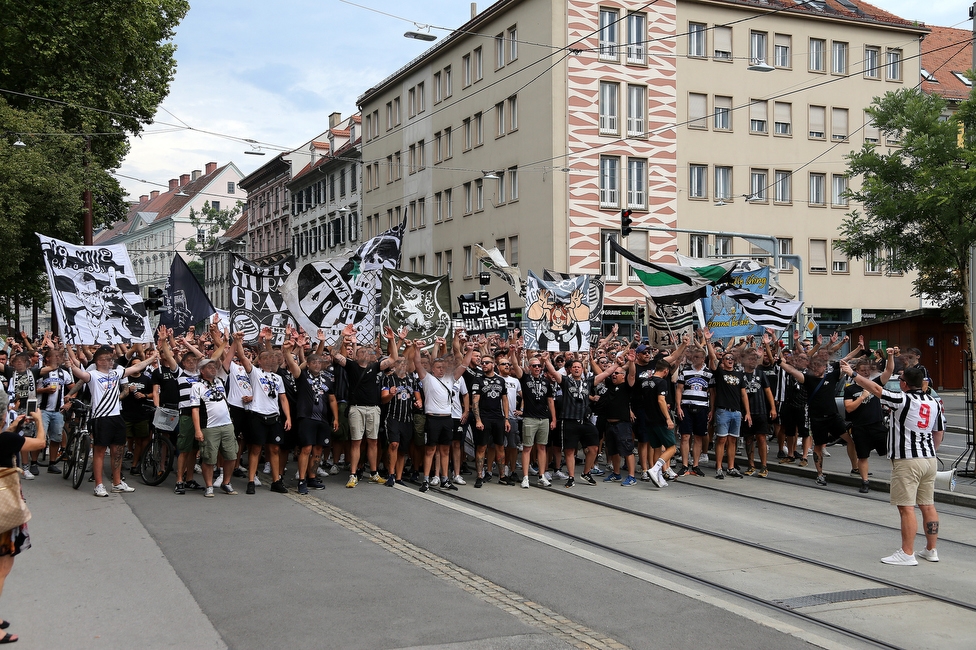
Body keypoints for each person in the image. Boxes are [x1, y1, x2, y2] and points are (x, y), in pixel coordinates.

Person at [840, 362, 944, 565]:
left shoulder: (902, 399)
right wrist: (931, 451)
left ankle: (907, 553)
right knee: (928, 505)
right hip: (929, 458)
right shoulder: (933, 402)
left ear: (904, 384)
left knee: (906, 507)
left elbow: (876, 389)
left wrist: (852, 374)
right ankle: (931, 550)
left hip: (907, 460)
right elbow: (938, 432)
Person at [65, 345, 157, 497]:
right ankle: (99, 485)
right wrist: (71, 366)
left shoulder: (116, 373)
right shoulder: (93, 374)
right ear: (99, 361)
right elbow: (81, 375)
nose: (111, 361)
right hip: (101, 418)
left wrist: (152, 358)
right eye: (107, 359)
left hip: (116, 416)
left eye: (111, 358)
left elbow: (136, 367)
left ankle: (117, 483)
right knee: (99, 451)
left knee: (118, 450)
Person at [0, 410, 47, 644]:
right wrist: (39, 420)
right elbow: (40, 443)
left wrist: (15, 427)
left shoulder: (6, 438)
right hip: (4, 511)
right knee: (2, 567)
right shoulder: (6, 440)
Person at [333, 326, 398, 487]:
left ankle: (374, 473)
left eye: (366, 352)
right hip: (356, 408)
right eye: (360, 351)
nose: (363, 353)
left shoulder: (375, 367)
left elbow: (393, 358)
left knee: (373, 441)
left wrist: (391, 339)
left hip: (374, 408)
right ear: (356, 355)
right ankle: (353, 474)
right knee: (356, 442)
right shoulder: (350, 365)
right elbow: (334, 353)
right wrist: (342, 336)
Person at [232, 333, 292, 495]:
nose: (270, 360)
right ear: (260, 360)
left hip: (274, 416)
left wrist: (288, 417)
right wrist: (237, 342)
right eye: (266, 358)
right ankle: (251, 480)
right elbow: (243, 358)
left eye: (272, 359)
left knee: (273, 450)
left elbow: (283, 399)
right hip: (257, 415)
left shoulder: (278, 378)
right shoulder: (255, 372)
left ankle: (276, 481)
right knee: (256, 449)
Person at [282, 340, 337, 494]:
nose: (317, 365)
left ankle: (312, 476)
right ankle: (302, 480)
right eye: (314, 363)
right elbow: (292, 366)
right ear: (308, 364)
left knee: (318, 449)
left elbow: (332, 399)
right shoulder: (302, 375)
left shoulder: (327, 379)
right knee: (306, 448)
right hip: (306, 417)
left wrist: (336, 418)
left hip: (323, 419)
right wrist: (287, 352)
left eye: (319, 363)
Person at [188, 359, 239, 497]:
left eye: (214, 366)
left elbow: (226, 360)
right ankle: (209, 485)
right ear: (202, 370)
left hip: (227, 424)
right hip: (209, 427)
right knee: (209, 458)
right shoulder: (197, 386)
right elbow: (195, 410)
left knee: (231, 455)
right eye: (209, 367)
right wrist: (198, 430)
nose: (213, 369)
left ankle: (226, 483)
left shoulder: (220, 381)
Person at [844, 356, 893, 493]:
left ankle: (897, 479)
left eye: (868, 370)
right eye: (862, 370)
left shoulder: (875, 383)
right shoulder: (850, 389)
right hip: (860, 427)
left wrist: (890, 356)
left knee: (891, 452)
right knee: (863, 455)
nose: (865, 373)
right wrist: (862, 397)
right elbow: (849, 408)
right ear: (857, 371)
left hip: (877, 424)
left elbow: (889, 371)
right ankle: (865, 481)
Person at [509, 351, 555, 488]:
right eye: (534, 366)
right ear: (529, 367)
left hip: (544, 419)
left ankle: (541, 475)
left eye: (539, 366)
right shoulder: (525, 378)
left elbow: (550, 401)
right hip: (529, 418)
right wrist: (512, 352)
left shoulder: (546, 382)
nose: (537, 368)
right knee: (527, 448)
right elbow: (516, 364)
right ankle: (526, 477)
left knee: (542, 447)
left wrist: (553, 419)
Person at [709, 351, 750, 479]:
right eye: (727, 358)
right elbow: (712, 358)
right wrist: (708, 341)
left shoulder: (739, 374)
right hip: (723, 410)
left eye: (732, 358)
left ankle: (731, 467)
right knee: (722, 439)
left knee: (733, 440)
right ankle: (719, 467)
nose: (730, 360)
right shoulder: (720, 373)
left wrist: (747, 412)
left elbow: (744, 394)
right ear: (723, 362)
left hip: (736, 412)